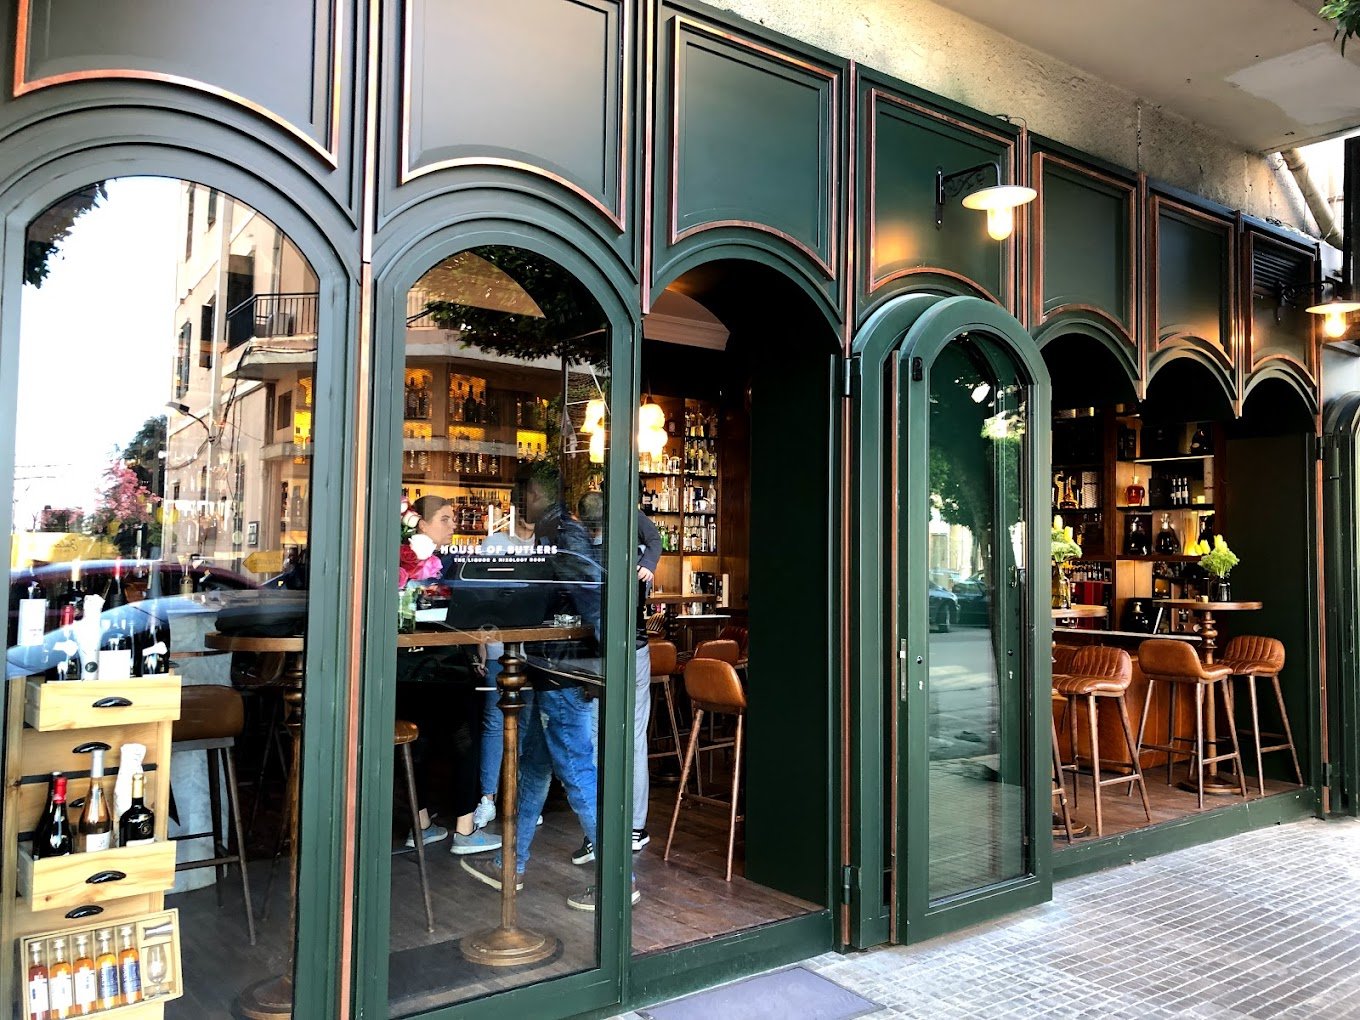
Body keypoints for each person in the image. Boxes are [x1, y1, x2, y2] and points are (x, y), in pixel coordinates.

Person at [461, 462, 638, 909]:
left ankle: (619, 880)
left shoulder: (561, 531)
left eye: (522, 494)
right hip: (553, 667)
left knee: (576, 771)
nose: (517, 503)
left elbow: (593, 593)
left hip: (564, 669)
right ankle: (510, 863)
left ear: (537, 494)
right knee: (536, 768)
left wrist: (603, 664)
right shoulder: (557, 530)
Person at [398, 495, 499, 855]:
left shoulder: (400, 564)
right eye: (444, 518)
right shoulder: (444, 565)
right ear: (422, 525)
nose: (453, 524)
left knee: (417, 746)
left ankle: (421, 825)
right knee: (465, 743)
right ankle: (465, 830)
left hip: (407, 668)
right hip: (446, 667)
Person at [571, 491, 661, 863]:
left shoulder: (581, 558)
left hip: (595, 658)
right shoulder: (632, 556)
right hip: (633, 651)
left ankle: (599, 828)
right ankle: (634, 828)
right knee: (634, 739)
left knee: (594, 740)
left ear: (582, 521)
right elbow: (653, 539)